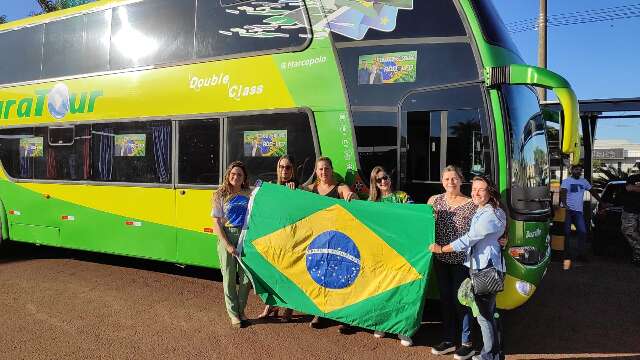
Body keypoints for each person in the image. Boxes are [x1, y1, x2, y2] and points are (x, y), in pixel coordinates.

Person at [429, 176, 507, 360]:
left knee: (484, 316)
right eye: (474, 189)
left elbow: (468, 239)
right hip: (481, 267)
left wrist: (441, 249)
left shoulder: (490, 214)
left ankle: (490, 355)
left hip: (485, 269)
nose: (476, 193)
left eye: (481, 189)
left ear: (490, 192)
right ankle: (495, 353)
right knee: (489, 313)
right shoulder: (485, 209)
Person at [427, 166, 477, 360]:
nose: (450, 182)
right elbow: (421, 221)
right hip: (441, 260)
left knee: (462, 301)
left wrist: (503, 236)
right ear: (442, 181)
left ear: (461, 180)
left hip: (462, 262)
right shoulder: (434, 201)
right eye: (447, 179)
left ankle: (467, 343)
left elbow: (487, 221)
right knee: (446, 300)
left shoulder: (472, 203)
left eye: (454, 179)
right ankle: (448, 340)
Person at [304, 156, 356, 332]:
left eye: (326, 168)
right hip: (319, 240)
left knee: (342, 275)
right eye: (320, 169)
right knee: (321, 275)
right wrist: (291, 187)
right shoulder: (311, 189)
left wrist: (352, 195)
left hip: (339, 240)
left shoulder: (340, 188)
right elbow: (294, 193)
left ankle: (344, 317)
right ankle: (322, 313)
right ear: (316, 172)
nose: (323, 172)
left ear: (331, 169)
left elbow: (351, 196)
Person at [367, 166, 414, 346]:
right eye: (378, 180)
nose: (383, 182)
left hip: (402, 253)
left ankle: (403, 328)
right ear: (374, 183)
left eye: (385, 177)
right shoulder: (371, 202)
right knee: (381, 289)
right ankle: (383, 324)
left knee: (402, 291)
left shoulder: (402, 196)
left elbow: (415, 217)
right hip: (380, 255)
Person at [211, 161, 252, 328]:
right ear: (228, 175)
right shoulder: (219, 195)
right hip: (227, 236)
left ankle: (241, 310)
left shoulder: (249, 194)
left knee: (245, 279)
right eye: (233, 174)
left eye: (239, 175)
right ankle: (234, 314)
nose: (236, 177)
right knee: (228, 277)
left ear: (244, 178)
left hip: (245, 236)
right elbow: (216, 223)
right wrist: (227, 245)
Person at [257, 155, 298, 322]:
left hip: (293, 238)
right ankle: (271, 305)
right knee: (274, 274)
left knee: (292, 273)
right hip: (275, 237)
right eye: (281, 167)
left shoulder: (297, 187)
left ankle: (289, 308)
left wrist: (294, 192)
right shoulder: (272, 187)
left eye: (288, 167)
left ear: (293, 170)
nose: (284, 171)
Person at [560, 164, 601, 269]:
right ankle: (567, 255)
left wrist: (601, 201)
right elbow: (563, 192)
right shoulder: (567, 181)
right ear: (572, 170)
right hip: (568, 210)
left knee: (583, 232)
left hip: (578, 211)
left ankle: (581, 254)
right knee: (567, 233)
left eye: (580, 170)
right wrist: (564, 204)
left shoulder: (584, 182)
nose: (579, 171)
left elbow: (592, 191)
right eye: (576, 170)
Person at [621, 163, 640, 266]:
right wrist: (633, 187)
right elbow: (628, 188)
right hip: (630, 210)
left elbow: (632, 188)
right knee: (628, 231)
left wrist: (635, 188)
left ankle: (637, 257)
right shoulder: (632, 177)